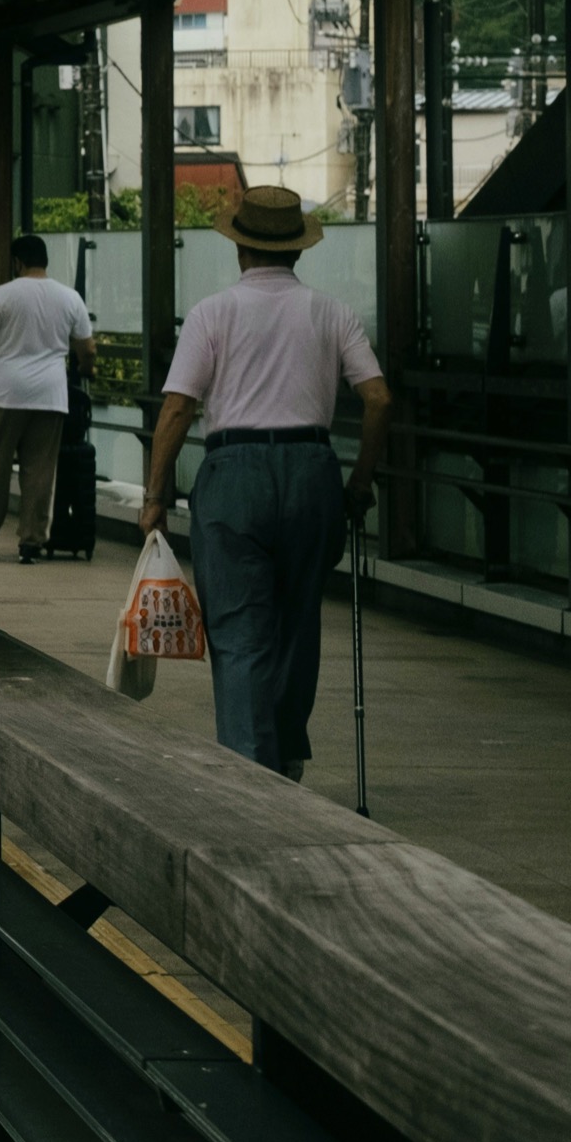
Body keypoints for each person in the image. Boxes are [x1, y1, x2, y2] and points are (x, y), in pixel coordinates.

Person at [139, 184, 391, 778]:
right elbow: (378, 399)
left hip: (235, 474)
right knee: (297, 627)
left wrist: (155, 497)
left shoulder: (213, 313)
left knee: (238, 631)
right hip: (312, 473)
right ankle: (283, 763)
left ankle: (250, 777)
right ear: (297, 252)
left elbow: (177, 409)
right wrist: (357, 483)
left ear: (240, 250)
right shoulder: (333, 313)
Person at [0, 235, 96, 564]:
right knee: (40, 471)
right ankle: (31, 542)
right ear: (44, 261)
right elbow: (87, 348)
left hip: (3, 393)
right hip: (50, 395)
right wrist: (86, 368)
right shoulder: (69, 298)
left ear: (17, 262)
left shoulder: (2, 295)